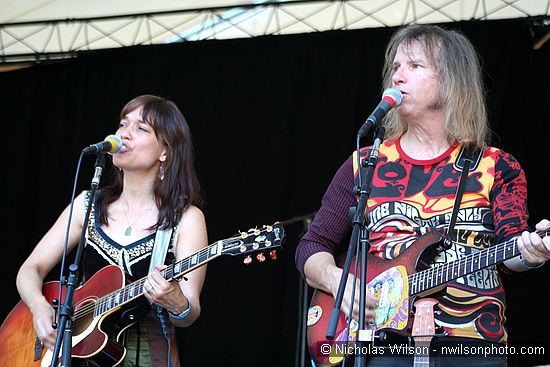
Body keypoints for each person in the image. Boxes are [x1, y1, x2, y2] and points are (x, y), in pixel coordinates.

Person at [295, 25, 550, 366]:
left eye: (414, 66)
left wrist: (532, 252)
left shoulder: (495, 166)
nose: (398, 77)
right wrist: (340, 282)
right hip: (381, 346)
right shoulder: (366, 164)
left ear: (450, 80)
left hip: (472, 345)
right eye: (395, 67)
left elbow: (511, 254)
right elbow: (312, 246)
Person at [16, 94, 207, 367]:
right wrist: (39, 308)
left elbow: (189, 313)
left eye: (140, 128)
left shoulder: (186, 219)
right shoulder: (87, 205)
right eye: (122, 124)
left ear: (166, 150)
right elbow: (30, 268)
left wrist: (176, 302)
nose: (124, 134)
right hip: (75, 356)